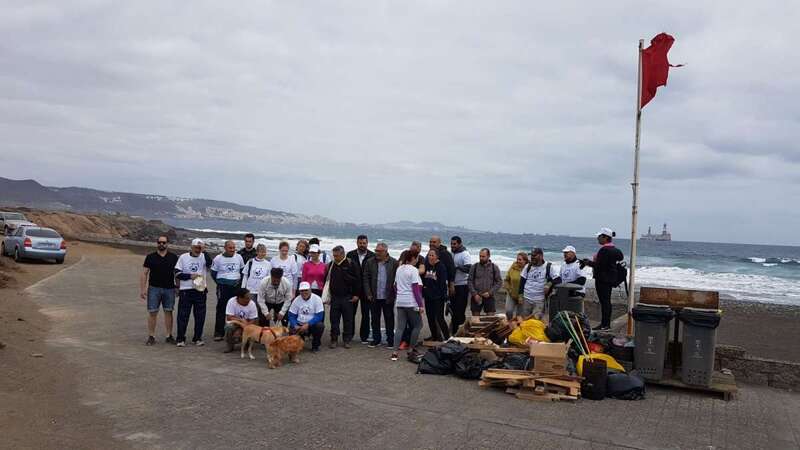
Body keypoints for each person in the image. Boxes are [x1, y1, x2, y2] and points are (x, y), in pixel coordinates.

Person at [581, 228, 624, 331]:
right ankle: (605, 324)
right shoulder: (615, 250)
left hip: (602, 279)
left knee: (604, 302)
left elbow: (599, 266)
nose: (598, 238)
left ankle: (605, 325)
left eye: (599, 236)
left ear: (605, 237)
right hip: (610, 279)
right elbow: (619, 258)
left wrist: (588, 263)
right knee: (606, 301)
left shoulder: (604, 250)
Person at [140, 235, 178, 345]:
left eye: (164, 242)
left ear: (167, 244)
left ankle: (169, 336)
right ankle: (151, 336)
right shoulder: (150, 257)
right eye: (159, 242)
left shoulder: (173, 257)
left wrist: (178, 287)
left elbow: (176, 274)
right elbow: (144, 273)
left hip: (169, 289)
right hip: (154, 288)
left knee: (169, 311)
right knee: (152, 312)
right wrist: (143, 289)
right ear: (157, 243)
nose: (161, 244)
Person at [174, 238, 212, 347]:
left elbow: (210, 264)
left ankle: (197, 338)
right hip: (186, 290)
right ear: (191, 247)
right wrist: (189, 276)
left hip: (200, 290)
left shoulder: (204, 256)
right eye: (196, 247)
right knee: (183, 315)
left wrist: (204, 251)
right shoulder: (183, 257)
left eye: (200, 248)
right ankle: (180, 338)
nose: (198, 250)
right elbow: (177, 273)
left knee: (200, 316)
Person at [390, 251, 425, 361]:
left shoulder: (399, 269)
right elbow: (415, 289)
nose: (417, 260)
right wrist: (420, 304)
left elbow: (395, 286)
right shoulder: (413, 270)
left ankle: (394, 352)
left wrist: (400, 295)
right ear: (413, 258)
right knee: (418, 325)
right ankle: (411, 349)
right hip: (411, 302)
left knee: (400, 327)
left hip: (400, 301)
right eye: (417, 258)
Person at [362, 242, 398, 348]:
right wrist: (368, 293)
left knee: (389, 319)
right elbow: (365, 278)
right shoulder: (370, 262)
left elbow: (397, 279)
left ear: (386, 251)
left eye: (379, 251)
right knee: (374, 319)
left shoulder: (394, 262)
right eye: (376, 251)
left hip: (388, 296)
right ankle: (376, 340)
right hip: (374, 296)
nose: (377, 253)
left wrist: (394, 293)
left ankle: (390, 340)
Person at [211, 240, 245, 341]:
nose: (232, 250)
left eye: (234, 248)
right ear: (225, 248)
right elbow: (213, 273)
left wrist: (238, 282)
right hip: (223, 287)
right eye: (230, 248)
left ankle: (235, 333)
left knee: (236, 309)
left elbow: (242, 271)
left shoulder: (239, 257)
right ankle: (219, 332)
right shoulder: (218, 258)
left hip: (236, 287)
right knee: (221, 309)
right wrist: (221, 282)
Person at [325, 246, 359, 348]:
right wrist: (328, 296)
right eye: (334, 255)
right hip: (335, 297)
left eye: (337, 256)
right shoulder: (331, 264)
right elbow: (327, 280)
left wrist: (356, 294)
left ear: (343, 254)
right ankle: (334, 339)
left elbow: (358, 280)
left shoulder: (351, 264)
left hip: (347, 297)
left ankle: (346, 340)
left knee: (348, 320)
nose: (335, 258)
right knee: (334, 320)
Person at [346, 234, 375, 344]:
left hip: (367, 290)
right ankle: (349, 335)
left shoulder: (372, 255)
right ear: (357, 243)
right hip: (353, 289)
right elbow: (347, 272)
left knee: (366, 314)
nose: (362, 245)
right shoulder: (350, 254)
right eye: (360, 243)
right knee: (350, 314)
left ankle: (364, 336)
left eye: (364, 243)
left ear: (367, 243)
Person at [397, 241, 426, 350]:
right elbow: (400, 265)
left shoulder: (421, 259)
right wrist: (410, 272)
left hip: (407, 295)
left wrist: (409, 271)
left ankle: (404, 345)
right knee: (412, 323)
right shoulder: (405, 255)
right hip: (408, 297)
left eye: (417, 249)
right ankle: (407, 344)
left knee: (409, 324)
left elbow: (422, 270)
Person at [287, 282, 325, 352]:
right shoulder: (296, 300)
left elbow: (319, 316)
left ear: (310, 290)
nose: (304, 292)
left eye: (306, 290)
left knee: (320, 326)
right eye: (302, 291)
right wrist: (295, 324)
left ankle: (315, 345)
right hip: (299, 324)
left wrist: (308, 324)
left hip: (311, 324)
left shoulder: (317, 299)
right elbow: (291, 315)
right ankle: (299, 341)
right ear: (299, 291)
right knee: (291, 329)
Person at [518, 248, 555, 319]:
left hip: (539, 301)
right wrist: (520, 295)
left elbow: (558, 279)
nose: (532, 257)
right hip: (526, 299)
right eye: (531, 255)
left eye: (534, 255)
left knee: (535, 321)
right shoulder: (528, 266)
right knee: (525, 321)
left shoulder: (548, 266)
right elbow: (522, 281)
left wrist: (549, 284)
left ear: (541, 256)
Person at [423, 248, 450, 342]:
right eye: (429, 255)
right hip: (428, 297)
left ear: (437, 257)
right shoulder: (426, 265)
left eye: (432, 255)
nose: (430, 257)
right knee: (430, 318)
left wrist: (445, 297)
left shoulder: (441, 267)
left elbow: (443, 283)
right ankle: (435, 338)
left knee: (439, 318)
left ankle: (447, 338)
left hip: (438, 297)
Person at [468, 248, 502, 316]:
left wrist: (490, 292)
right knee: (475, 319)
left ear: (488, 256)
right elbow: (469, 281)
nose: (481, 258)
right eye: (480, 256)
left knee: (490, 319)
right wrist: (474, 294)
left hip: (489, 296)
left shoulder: (494, 267)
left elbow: (499, 282)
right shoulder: (474, 267)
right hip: (476, 296)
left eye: (483, 256)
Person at [222, 288, 259, 353]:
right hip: (236, 323)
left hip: (248, 324)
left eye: (249, 298)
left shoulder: (252, 304)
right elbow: (229, 317)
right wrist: (241, 321)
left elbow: (253, 320)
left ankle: (248, 343)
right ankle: (230, 345)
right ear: (239, 298)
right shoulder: (231, 301)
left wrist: (244, 328)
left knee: (254, 327)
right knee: (228, 326)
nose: (249, 300)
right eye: (247, 298)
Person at [449, 236, 472, 334]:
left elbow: (468, 268)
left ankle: (461, 332)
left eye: (454, 244)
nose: (452, 246)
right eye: (451, 244)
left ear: (460, 243)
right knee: (453, 310)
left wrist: (457, 267)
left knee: (460, 310)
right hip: (452, 285)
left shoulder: (465, 254)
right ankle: (454, 331)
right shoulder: (451, 253)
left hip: (463, 285)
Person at [241, 241, 272, 310]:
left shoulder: (268, 264)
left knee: (261, 310)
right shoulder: (250, 262)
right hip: (250, 290)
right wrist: (243, 288)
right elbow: (245, 276)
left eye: (264, 252)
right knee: (251, 309)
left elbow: (269, 279)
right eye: (261, 252)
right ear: (257, 252)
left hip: (262, 292)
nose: (263, 254)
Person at [503, 251, 529, 320]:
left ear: (525, 261)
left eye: (520, 260)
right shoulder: (513, 267)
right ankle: (509, 323)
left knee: (519, 316)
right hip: (512, 294)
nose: (518, 261)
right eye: (517, 259)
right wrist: (509, 289)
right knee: (508, 311)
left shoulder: (529, 269)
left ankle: (517, 325)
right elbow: (506, 280)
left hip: (523, 296)